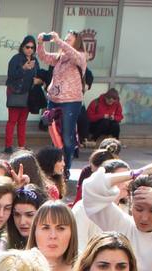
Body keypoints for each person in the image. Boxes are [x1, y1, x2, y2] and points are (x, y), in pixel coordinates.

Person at [36, 31, 88, 171]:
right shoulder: (60, 57)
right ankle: (55, 166)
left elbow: (73, 54)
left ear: (76, 43)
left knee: (66, 135)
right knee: (54, 135)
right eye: (65, 39)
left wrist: (58, 41)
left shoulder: (81, 56)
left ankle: (65, 169)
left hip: (71, 102)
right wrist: (40, 43)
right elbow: (43, 56)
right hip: (53, 100)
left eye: (69, 40)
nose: (65, 41)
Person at [4, 36, 46, 153]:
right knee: (12, 120)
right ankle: (8, 146)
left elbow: (38, 74)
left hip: (29, 94)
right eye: (27, 47)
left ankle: (21, 145)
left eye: (32, 48)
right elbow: (11, 75)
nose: (30, 50)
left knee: (22, 121)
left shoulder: (35, 60)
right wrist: (24, 68)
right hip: (16, 92)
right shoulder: (16, 59)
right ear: (23, 47)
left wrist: (39, 80)